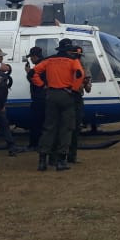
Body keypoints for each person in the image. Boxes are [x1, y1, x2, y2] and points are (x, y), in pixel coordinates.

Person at [31, 38, 86, 171]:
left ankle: (43, 160)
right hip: (66, 95)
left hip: (51, 95)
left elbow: (32, 73)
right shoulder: (73, 61)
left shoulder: (49, 60)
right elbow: (80, 74)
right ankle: (61, 161)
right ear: (69, 50)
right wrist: (73, 89)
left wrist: (42, 85)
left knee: (49, 127)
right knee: (66, 128)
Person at [0, 47, 23, 157]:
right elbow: (1, 90)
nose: (2, 58)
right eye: (0, 56)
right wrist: (2, 104)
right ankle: (11, 147)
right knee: (3, 125)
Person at [25, 47, 46, 150]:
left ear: (35, 56)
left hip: (39, 99)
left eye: (31, 57)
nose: (31, 60)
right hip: (44, 98)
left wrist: (29, 72)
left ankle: (34, 144)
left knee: (35, 123)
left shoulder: (39, 67)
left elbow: (37, 82)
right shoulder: (45, 64)